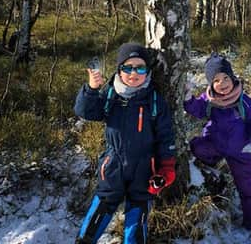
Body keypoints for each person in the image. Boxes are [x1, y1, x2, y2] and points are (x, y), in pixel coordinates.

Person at [75, 43, 176, 244]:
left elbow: (165, 137)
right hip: (113, 165)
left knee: (137, 217)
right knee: (102, 206)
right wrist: (92, 89)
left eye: (140, 68)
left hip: (144, 168)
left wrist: (166, 168)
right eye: (127, 67)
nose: (133, 73)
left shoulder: (154, 101)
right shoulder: (111, 94)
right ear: (119, 70)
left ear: (147, 71)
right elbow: (85, 112)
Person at [184, 53, 251, 241]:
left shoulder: (245, 102)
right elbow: (196, 109)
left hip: (241, 150)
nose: (222, 83)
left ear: (232, 78)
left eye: (225, 78)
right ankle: (212, 165)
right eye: (216, 80)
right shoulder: (209, 100)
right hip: (215, 143)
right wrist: (188, 97)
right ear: (210, 84)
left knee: (247, 184)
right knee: (196, 147)